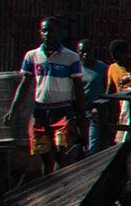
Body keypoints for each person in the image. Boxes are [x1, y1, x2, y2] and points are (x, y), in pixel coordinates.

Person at [16, 21, 86, 169]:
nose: (48, 34)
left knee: (61, 151)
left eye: (51, 31)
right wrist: (13, 109)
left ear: (59, 33)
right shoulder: (32, 56)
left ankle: (64, 187)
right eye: (44, 31)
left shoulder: (71, 57)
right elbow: (24, 84)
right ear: (40, 33)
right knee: (44, 155)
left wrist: (81, 113)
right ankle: (47, 187)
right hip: (40, 111)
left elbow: (78, 88)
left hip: (62, 111)